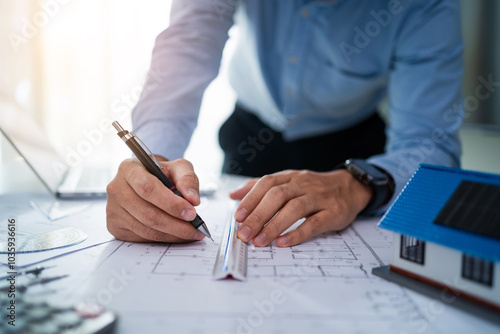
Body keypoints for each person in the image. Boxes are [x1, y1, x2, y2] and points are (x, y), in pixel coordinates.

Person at [106, 0, 464, 247]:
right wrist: (152, 161)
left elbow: (431, 145)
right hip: (250, 135)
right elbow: (189, 45)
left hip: (356, 153)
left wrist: (362, 184)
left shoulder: (428, 8)